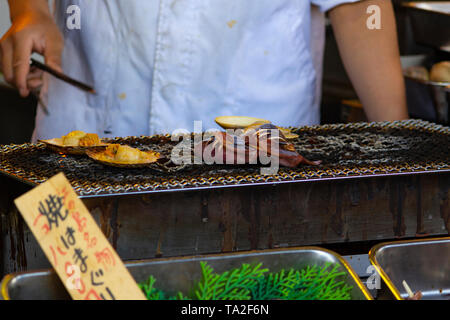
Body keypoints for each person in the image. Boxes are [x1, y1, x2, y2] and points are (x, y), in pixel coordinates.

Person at [0, 0, 408, 141]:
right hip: (91, 128)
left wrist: (400, 151)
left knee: (248, 286)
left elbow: (359, 9)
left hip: (250, 145)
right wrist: (29, 12)